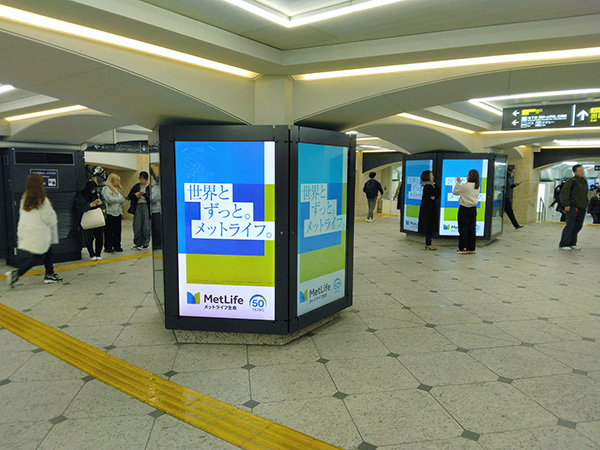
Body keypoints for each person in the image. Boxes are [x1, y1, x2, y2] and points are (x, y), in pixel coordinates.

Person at [5, 174, 63, 287]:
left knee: (48, 252)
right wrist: (54, 223)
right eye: (42, 181)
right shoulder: (42, 199)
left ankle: (49, 274)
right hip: (39, 233)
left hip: (29, 231)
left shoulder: (25, 197)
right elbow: (49, 217)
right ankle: (16, 274)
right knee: (38, 256)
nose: (43, 183)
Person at [558, 164, 589, 251]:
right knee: (570, 225)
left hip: (582, 207)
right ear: (574, 172)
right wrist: (566, 204)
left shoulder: (584, 181)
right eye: (579, 171)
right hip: (573, 207)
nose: (582, 172)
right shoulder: (571, 181)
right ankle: (564, 243)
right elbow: (564, 194)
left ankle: (572, 243)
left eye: (582, 170)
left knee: (578, 226)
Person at [453, 169, 480, 255]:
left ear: (470, 176)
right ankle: (471, 248)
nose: (467, 175)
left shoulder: (465, 186)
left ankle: (463, 248)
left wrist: (458, 182)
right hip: (473, 209)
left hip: (464, 209)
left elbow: (455, 192)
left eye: (468, 174)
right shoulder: (477, 186)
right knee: (472, 229)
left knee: (463, 229)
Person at [78, 180, 105, 261]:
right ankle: (91, 253)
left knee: (99, 237)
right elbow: (80, 207)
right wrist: (90, 205)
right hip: (88, 217)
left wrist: (100, 203)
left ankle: (98, 253)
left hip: (97, 217)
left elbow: (103, 205)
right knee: (89, 237)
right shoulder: (82, 195)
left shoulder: (98, 194)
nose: (93, 190)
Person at [102, 173, 125, 253]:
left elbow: (123, 201)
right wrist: (119, 200)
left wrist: (121, 200)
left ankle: (117, 246)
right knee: (109, 231)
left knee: (117, 231)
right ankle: (108, 246)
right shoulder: (106, 189)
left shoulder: (117, 190)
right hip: (110, 212)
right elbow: (109, 199)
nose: (118, 183)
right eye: (117, 181)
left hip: (118, 212)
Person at [128, 171, 151, 249]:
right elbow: (130, 196)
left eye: (143, 179)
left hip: (146, 207)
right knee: (137, 225)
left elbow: (152, 198)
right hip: (137, 206)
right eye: (140, 179)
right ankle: (137, 243)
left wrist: (145, 194)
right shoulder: (136, 186)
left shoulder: (149, 187)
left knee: (146, 225)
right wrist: (136, 195)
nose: (142, 181)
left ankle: (145, 243)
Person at [418, 170, 440, 250]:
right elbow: (437, 193)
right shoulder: (429, 186)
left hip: (428, 209)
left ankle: (428, 243)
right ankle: (428, 244)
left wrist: (434, 195)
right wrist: (435, 186)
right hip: (429, 210)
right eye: (431, 175)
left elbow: (435, 195)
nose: (433, 177)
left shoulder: (427, 185)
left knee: (429, 227)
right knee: (429, 227)